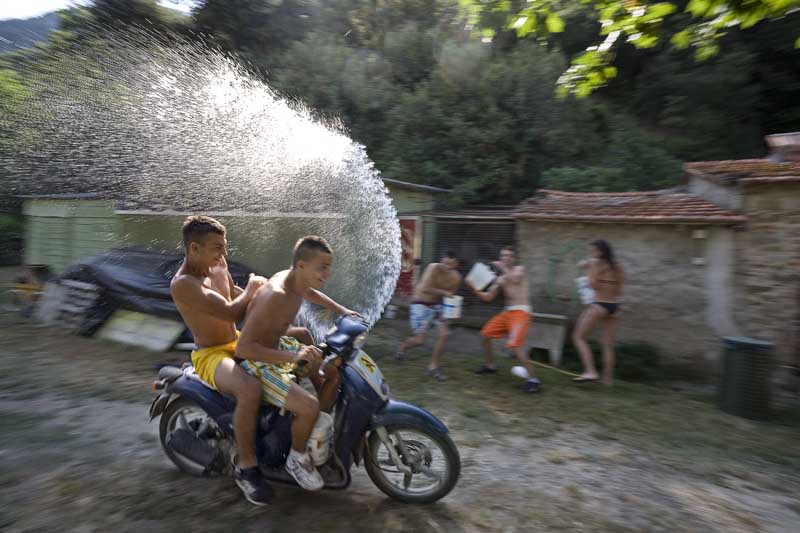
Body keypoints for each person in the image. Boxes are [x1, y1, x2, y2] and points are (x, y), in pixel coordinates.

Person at [235, 236, 359, 491]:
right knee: (309, 405)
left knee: (332, 376)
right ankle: (296, 457)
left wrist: (342, 310)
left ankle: (310, 426)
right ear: (301, 265)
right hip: (258, 362)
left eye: (328, 266)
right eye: (322, 266)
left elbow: (309, 292)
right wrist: (294, 357)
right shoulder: (275, 295)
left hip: (276, 347)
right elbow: (244, 348)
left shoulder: (295, 279)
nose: (327, 273)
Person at [169, 215, 272, 506]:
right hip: (211, 355)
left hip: (237, 342)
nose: (223, 254)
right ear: (194, 248)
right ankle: (247, 468)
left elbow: (235, 295)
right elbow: (230, 311)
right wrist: (252, 290)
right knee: (249, 389)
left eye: (224, 246)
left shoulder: (218, 264)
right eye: (216, 247)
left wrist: (267, 299)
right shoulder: (184, 284)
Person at [468, 246, 540, 393]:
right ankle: (490, 365)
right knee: (484, 335)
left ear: (513, 259)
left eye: (509, 256)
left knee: (516, 345)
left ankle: (534, 380)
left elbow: (514, 279)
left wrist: (503, 268)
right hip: (507, 313)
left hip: (521, 312)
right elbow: (488, 297)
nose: (505, 258)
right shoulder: (500, 279)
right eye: (503, 256)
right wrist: (474, 287)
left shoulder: (520, 269)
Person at [394, 251, 462, 381]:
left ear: (456, 264)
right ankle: (402, 348)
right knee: (420, 340)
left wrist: (453, 310)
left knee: (445, 334)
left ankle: (433, 367)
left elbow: (450, 298)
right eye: (446, 263)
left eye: (451, 264)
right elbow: (425, 288)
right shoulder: (433, 267)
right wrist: (443, 292)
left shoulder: (456, 277)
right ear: (442, 259)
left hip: (436, 305)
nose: (448, 267)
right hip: (420, 303)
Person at [572, 240, 625, 385]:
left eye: (593, 251)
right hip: (615, 307)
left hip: (599, 305)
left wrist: (589, 269)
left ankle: (590, 371)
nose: (592, 254)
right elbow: (620, 290)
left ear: (600, 252)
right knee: (607, 344)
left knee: (578, 337)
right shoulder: (617, 267)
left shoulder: (597, 265)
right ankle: (608, 379)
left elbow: (592, 285)